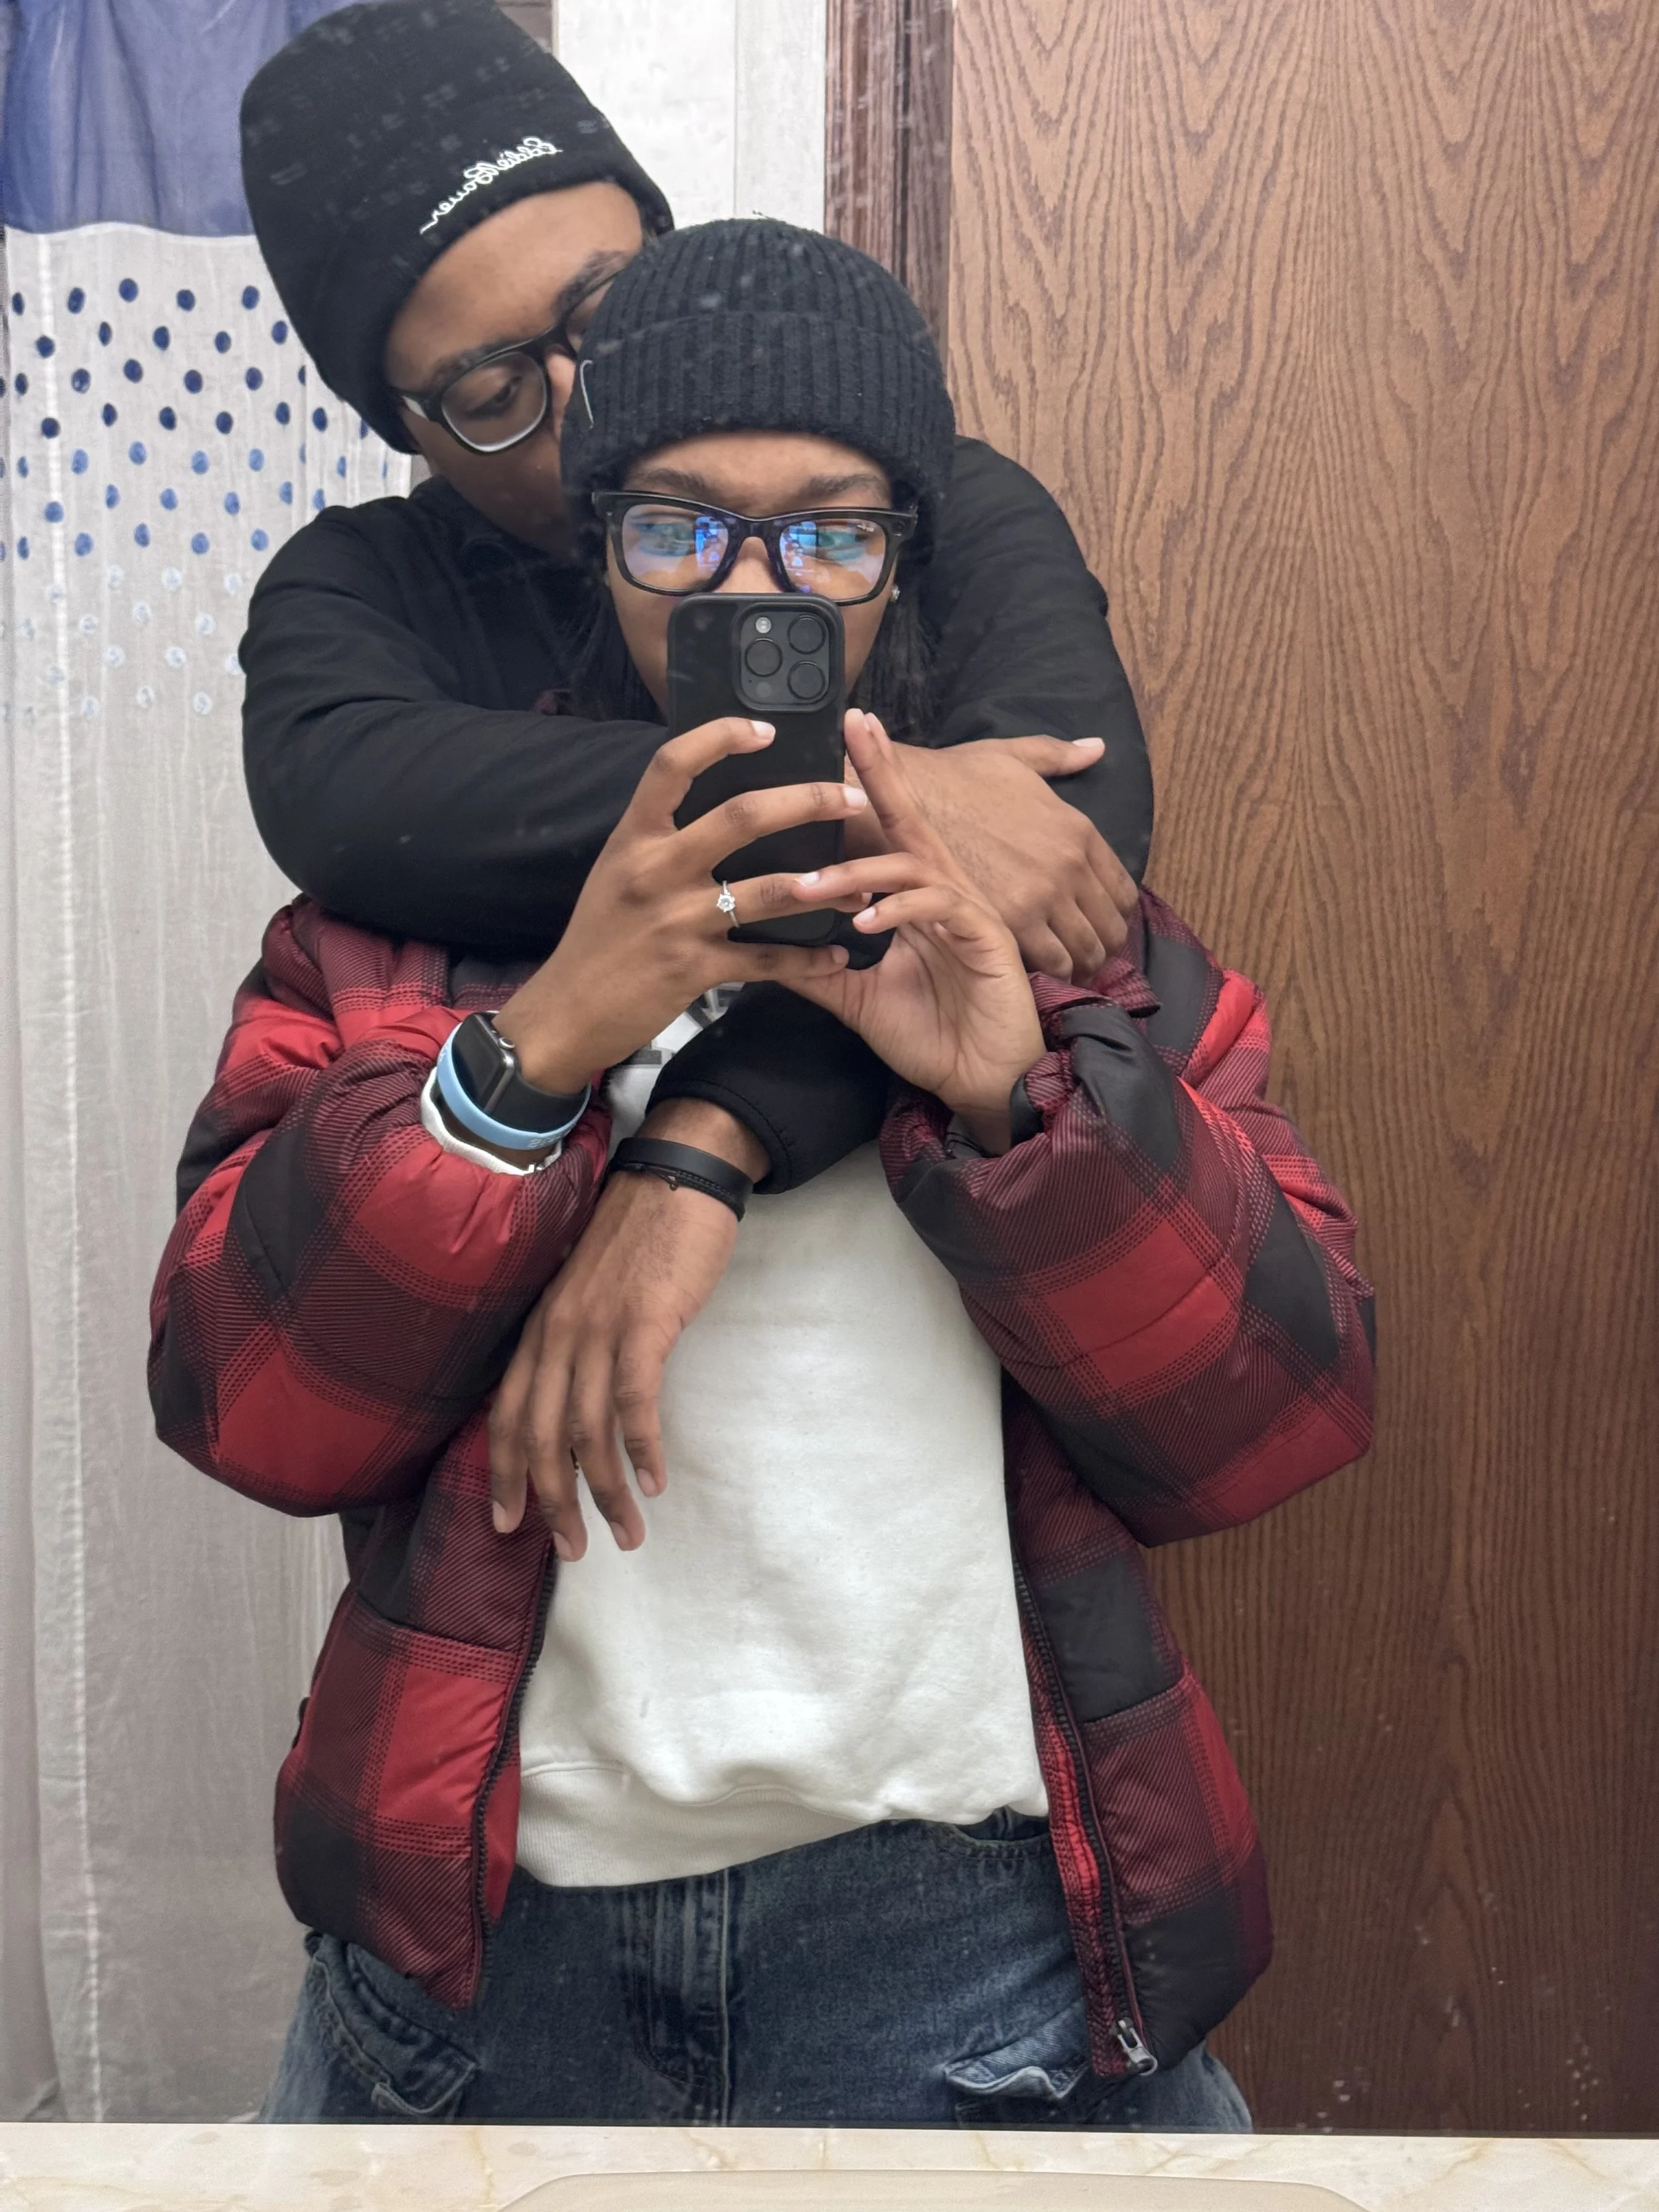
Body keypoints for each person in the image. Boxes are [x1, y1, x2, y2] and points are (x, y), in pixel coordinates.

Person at [151, 218, 1376, 2128]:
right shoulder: (393, 945)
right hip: (483, 1972)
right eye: (677, 526)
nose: (751, 587)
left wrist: (1017, 1110)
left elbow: (1277, 1416)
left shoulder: (1052, 927)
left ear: (898, 559)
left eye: (826, 534)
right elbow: (250, 1408)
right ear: (595, 541)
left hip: (982, 1966)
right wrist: (539, 1044)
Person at [233, 0, 1153, 1426]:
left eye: (603, 315)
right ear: (401, 423)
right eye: (486, 388)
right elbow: (341, 793)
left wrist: (712, 1135)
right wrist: (889, 790)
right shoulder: (373, 586)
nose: (581, 393)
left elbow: (1066, 851)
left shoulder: (921, 503)